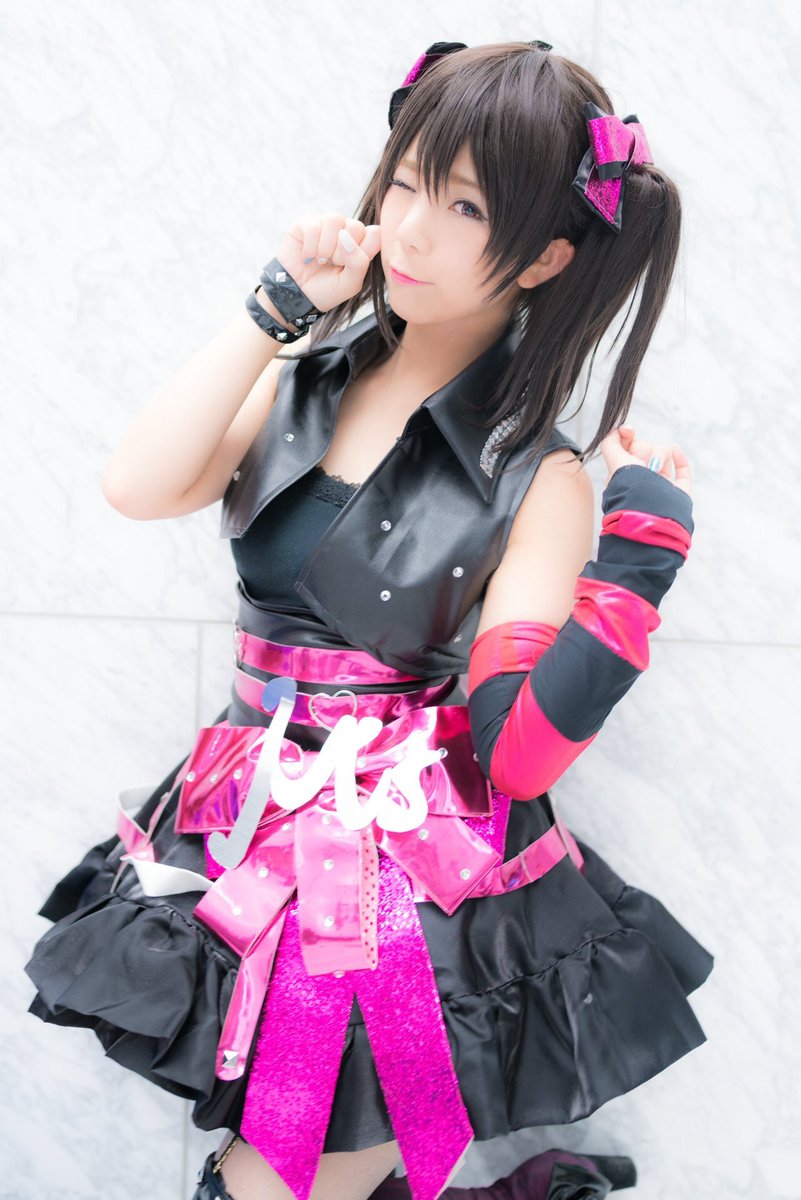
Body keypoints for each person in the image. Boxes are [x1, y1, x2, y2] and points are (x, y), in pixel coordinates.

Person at [24, 38, 714, 1200]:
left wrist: (635, 572)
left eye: (465, 207)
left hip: (407, 877)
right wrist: (276, 309)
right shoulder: (298, 381)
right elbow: (138, 485)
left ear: (547, 255)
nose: (411, 230)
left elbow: (520, 750)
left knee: (280, 1177)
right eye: (404, 183)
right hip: (242, 827)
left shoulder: (537, 476)